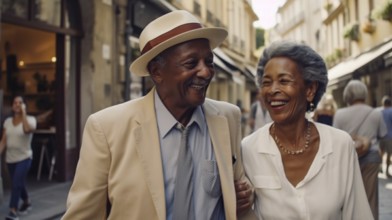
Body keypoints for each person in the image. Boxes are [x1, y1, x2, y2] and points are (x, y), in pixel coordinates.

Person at [62, 10, 255, 220]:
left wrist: (244, 195)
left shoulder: (228, 118)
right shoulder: (106, 128)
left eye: (209, 62)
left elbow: (239, 191)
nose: (206, 72)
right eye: (191, 63)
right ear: (157, 72)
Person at [241, 41, 373, 219]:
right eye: (266, 82)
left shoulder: (340, 144)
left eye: (284, 80)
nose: (272, 90)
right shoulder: (249, 148)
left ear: (310, 90)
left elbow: (358, 213)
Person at [333, 79, 387, 220]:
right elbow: (382, 134)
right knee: (370, 198)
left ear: (348, 95)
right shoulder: (375, 113)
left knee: (348, 196)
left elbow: (334, 139)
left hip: (347, 158)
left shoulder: (340, 114)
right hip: (371, 158)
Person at [0, 96, 37, 220]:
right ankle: (27, 201)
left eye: (20, 103)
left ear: (24, 105)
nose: (17, 105)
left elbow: (27, 130)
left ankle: (13, 211)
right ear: (12, 106)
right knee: (18, 183)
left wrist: (24, 112)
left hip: (25, 158)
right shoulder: (7, 122)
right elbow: (3, 141)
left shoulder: (31, 120)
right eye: (15, 102)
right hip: (10, 159)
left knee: (16, 183)